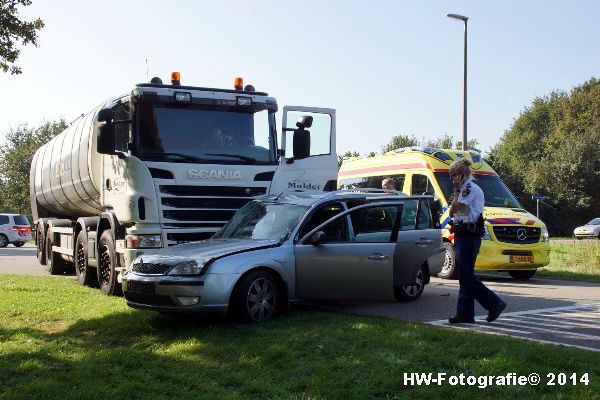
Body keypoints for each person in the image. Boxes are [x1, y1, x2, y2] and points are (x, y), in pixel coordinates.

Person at [447, 159, 506, 324]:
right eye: (450, 176)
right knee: (465, 275)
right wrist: (455, 199)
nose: (452, 179)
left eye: (454, 175)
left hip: (469, 235)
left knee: (466, 276)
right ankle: (465, 313)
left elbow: (455, 207)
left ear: (462, 174)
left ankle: (494, 303)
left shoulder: (469, 189)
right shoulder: (463, 189)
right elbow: (452, 212)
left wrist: (456, 194)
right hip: (462, 233)